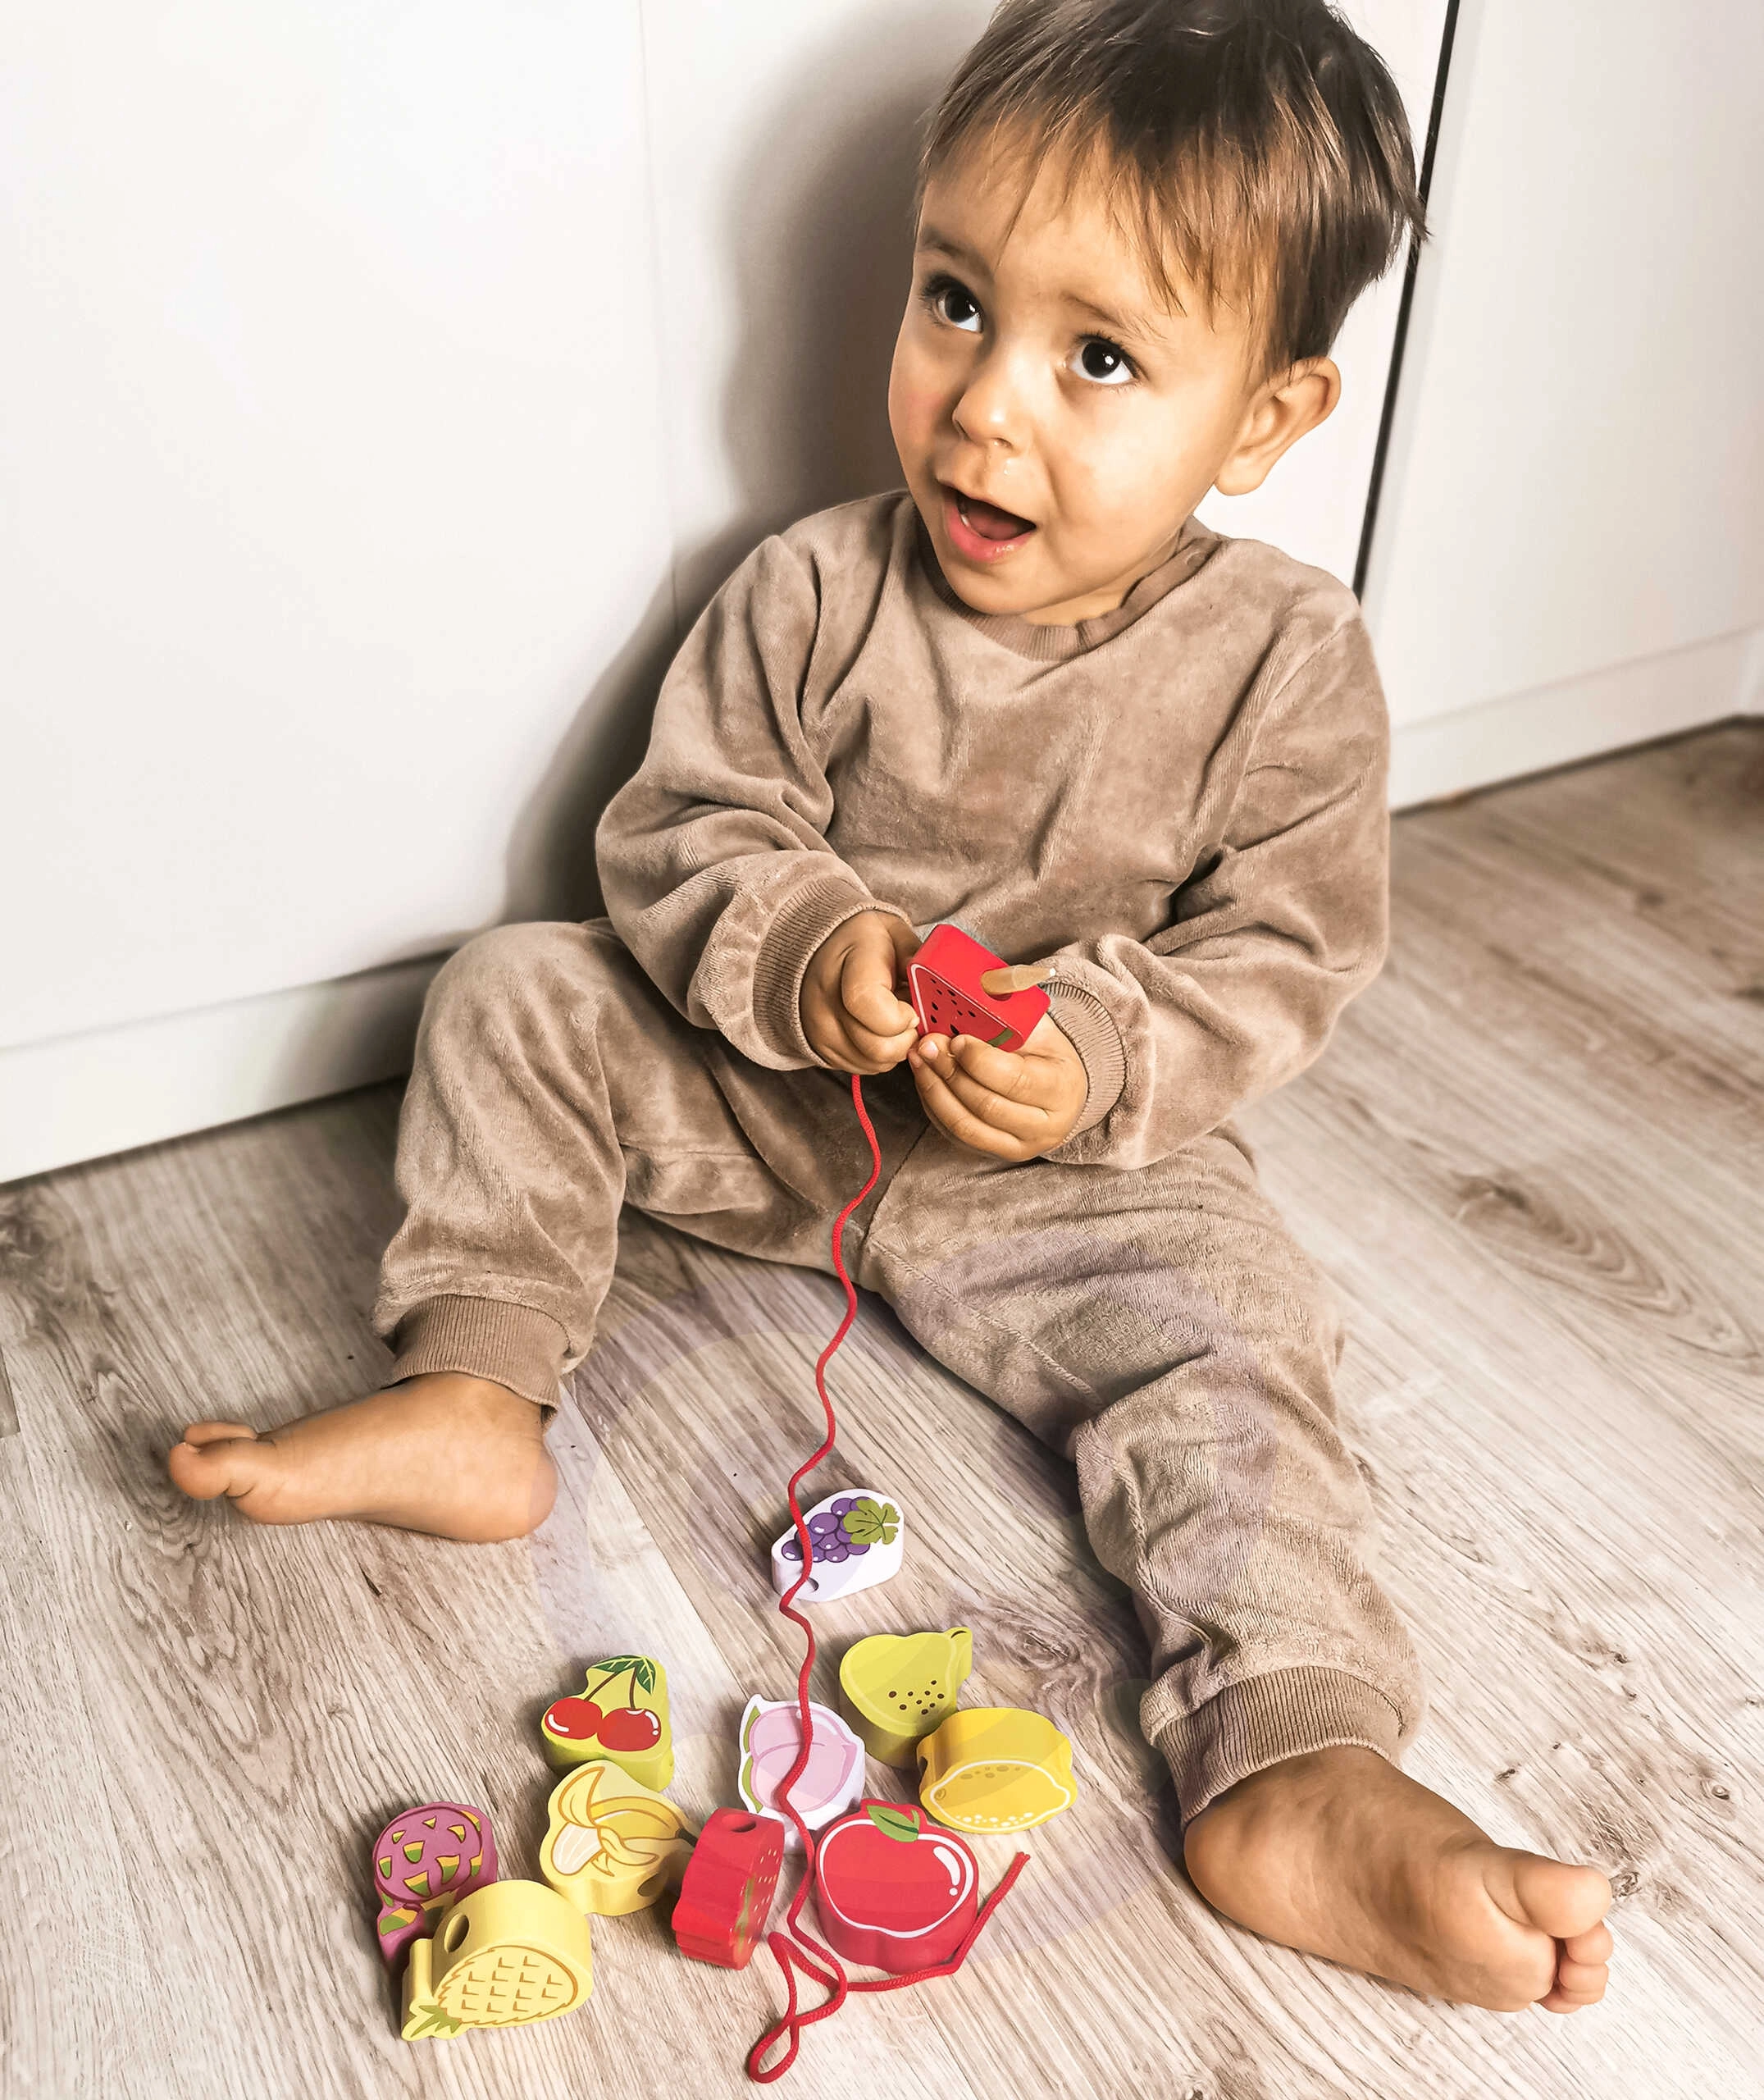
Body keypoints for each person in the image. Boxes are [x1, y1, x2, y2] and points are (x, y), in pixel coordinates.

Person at [169, 0, 1615, 2015]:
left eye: (1096, 357)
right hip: (772, 1105)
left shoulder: (1290, 661)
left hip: (1067, 1175)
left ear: (1267, 420)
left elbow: (1285, 950)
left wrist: (1101, 1049)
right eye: (955, 302)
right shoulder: (812, 590)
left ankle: (1290, 1750)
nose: (983, 406)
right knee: (510, 992)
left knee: (1239, 1333)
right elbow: (680, 825)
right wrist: (803, 943)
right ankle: (479, 1383)